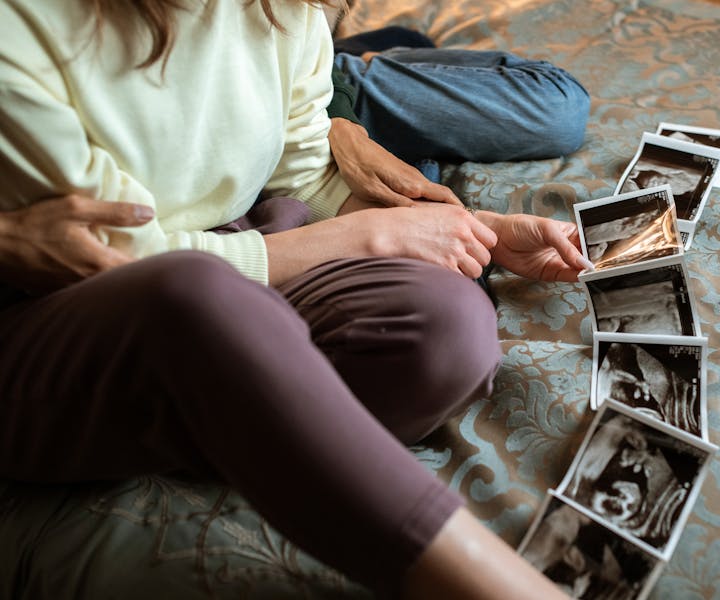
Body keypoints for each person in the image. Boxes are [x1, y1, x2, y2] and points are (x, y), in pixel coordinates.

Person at [0, 1, 588, 598]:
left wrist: (476, 229)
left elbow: (309, 178)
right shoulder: (19, 29)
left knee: (449, 330)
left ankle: (236, 406)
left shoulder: (284, 9)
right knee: (197, 297)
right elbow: (101, 257)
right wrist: (351, 238)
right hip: (61, 307)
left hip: (228, 258)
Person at [323, 26, 591, 209]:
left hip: (330, 83)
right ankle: (374, 56)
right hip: (327, 84)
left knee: (560, 107)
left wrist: (341, 121)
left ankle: (369, 58)